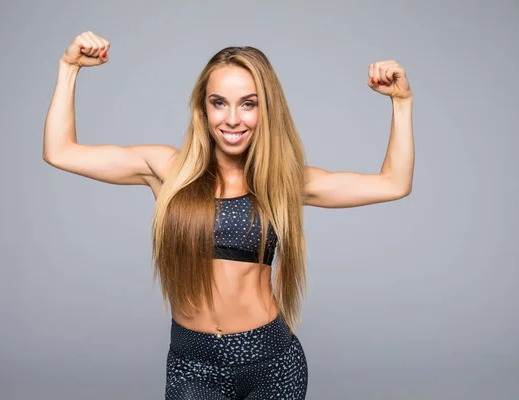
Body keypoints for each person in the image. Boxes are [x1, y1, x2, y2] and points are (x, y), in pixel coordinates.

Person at [43, 31, 414, 400]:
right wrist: (69, 67)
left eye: (248, 104)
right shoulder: (168, 170)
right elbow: (60, 151)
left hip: (272, 363)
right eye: (219, 103)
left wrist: (401, 102)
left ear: (266, 109)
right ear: (203, 109)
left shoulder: (284, 181)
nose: (233, 119)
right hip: (193, 364)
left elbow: (393, 183)